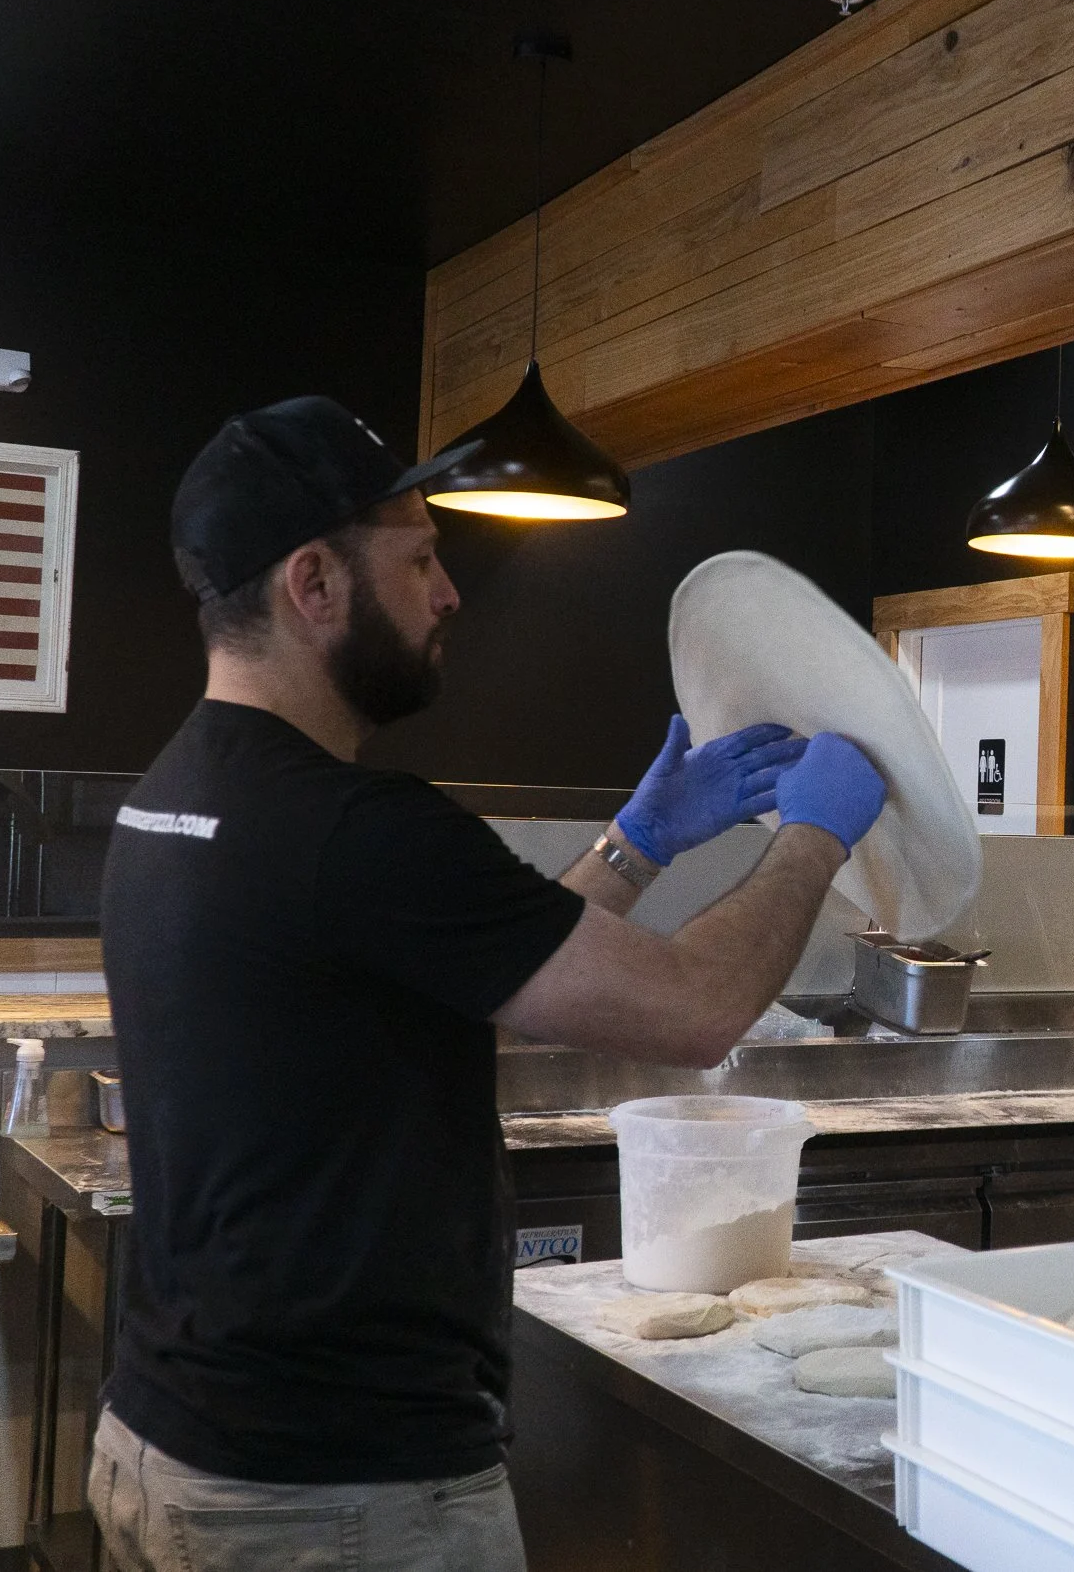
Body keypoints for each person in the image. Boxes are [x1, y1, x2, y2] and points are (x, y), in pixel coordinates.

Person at [90, 397, 887, 1572]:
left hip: (174, 1443)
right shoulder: (356, 829)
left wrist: (636, 842)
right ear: (313, 584)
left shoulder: (175, 795)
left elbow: (477, 963)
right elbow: (694, 1008)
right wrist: (816, 841)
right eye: (418, 560)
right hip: (331, 1496)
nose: (449, 593)